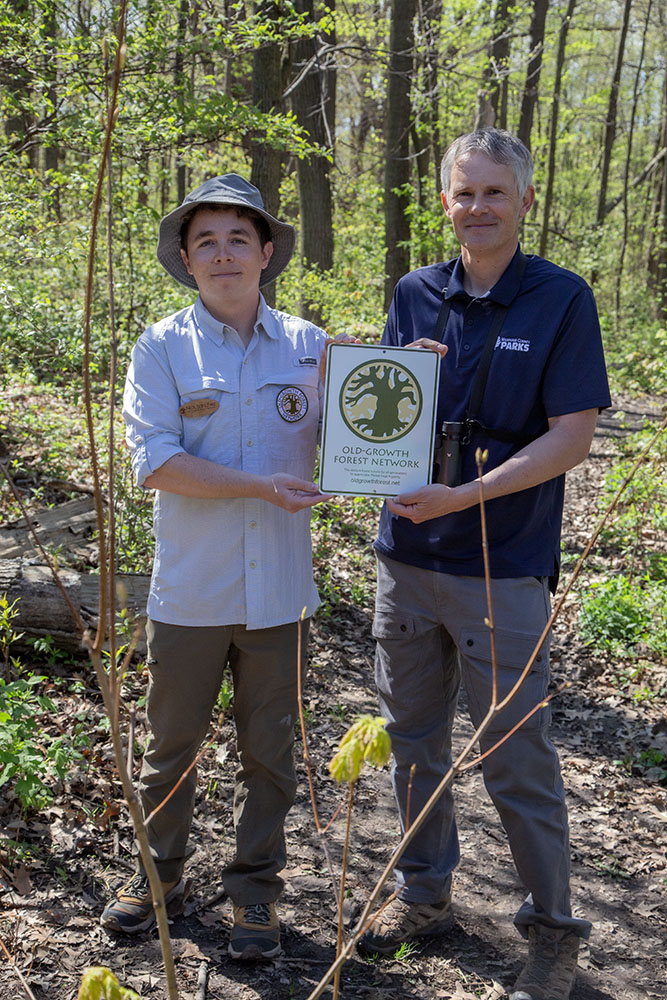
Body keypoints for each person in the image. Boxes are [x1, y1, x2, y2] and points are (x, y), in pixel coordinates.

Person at [358, 129, 611, 1000]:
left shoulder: (560, 299)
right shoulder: (413, 293)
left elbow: (571, 438)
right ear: (442, 202)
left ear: (525, 200)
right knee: (412, 741)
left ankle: (551, 931)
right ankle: (423, 897)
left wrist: (467, 498)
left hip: (500, 563)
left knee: (512, 755)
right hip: (406, 555)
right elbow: (384, 423)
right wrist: (401, 391)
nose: (477, 208)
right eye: (463, 193)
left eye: (494, 193)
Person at [101, 174, 346, 960]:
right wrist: (258, 486)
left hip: (278, 591)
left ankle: (254, 895)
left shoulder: (313, 347)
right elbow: (157, 464)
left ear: (266, 253)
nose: (222, 252)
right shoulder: (161, 347)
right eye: (204, 239)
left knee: (269, 753)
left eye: (238, 237)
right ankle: (156, 875)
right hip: (191, 590)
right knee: (169, 746)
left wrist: (401, 371)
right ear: (185, 257)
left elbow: (360, 438)